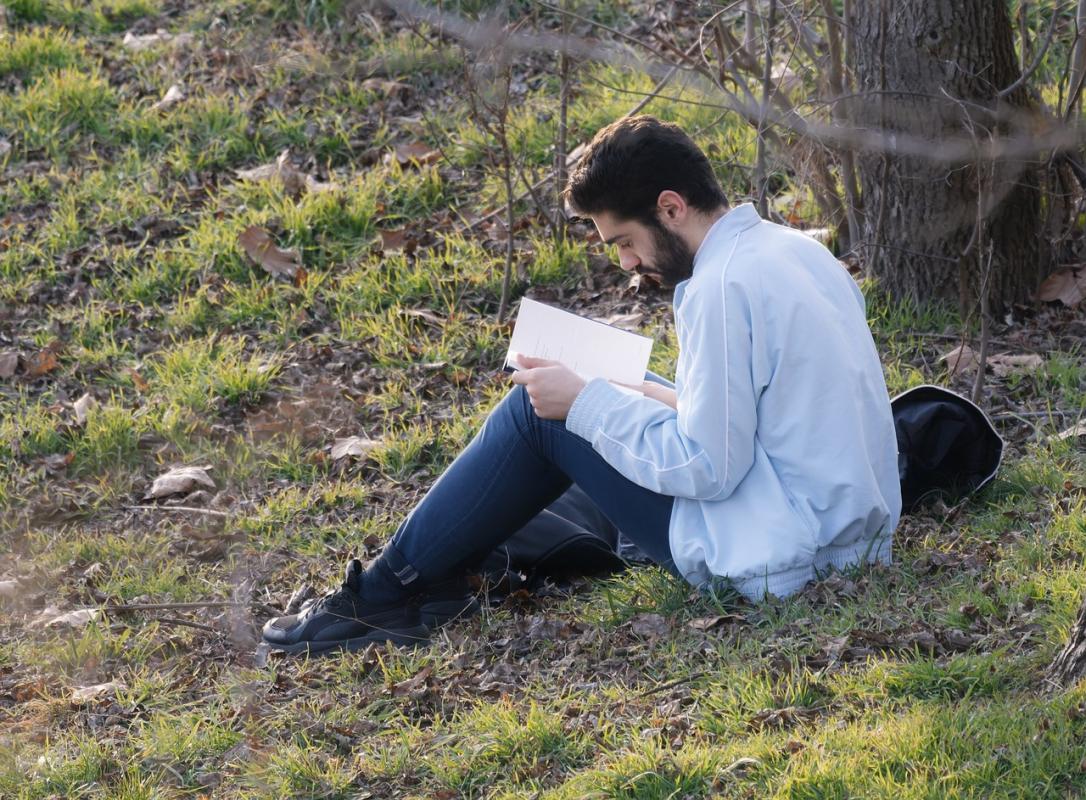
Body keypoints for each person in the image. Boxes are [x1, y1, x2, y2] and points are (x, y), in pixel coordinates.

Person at [261, 115, 902, 656]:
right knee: (598, 385)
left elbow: (709, 465)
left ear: (670, 208)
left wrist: (585, 404)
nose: (626, 264)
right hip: (844, 537)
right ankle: (434, 575)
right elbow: (758, 420)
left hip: (777, 556)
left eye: (623, 242)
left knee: (536, 414)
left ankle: (379, 598)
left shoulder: (718, 289)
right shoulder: (795, 252)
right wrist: (627, 388)